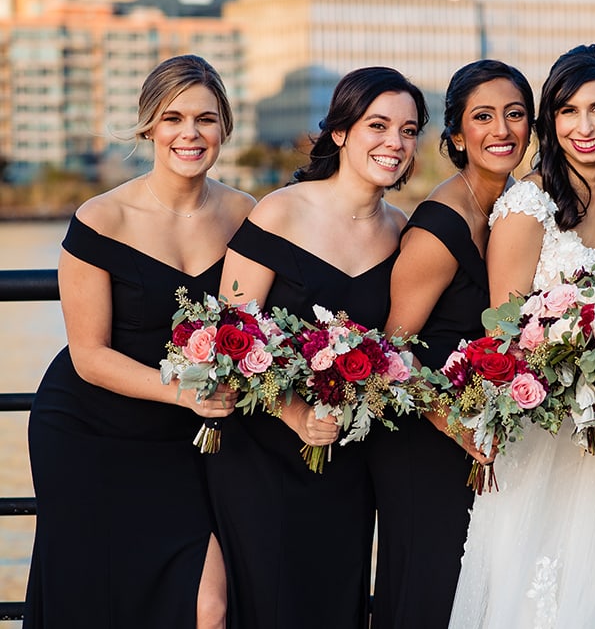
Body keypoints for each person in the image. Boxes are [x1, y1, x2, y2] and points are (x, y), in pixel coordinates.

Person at [24, 54, 255, 628]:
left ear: (224, 126)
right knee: (95, 602)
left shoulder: (247, 217)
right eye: (173, 118)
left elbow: (258, 323)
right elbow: (88, 355)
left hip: (183, 443)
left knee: (209, 605)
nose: (190, 134)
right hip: (89, 431)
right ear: (149, 124)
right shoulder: (102, 219)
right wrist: (185, 393)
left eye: (205, 119)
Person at [206, 67, 429, 629]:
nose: (394, 143)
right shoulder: (279, 211)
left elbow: (397, 344)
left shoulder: (403, 231)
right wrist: (296, 413)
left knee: (335, 600)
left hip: (346, 458)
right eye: (378, 125)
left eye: (408, 130)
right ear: (340, 132)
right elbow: (228, 341)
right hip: (263, 450)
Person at [449, 43, 595, 628]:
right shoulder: (527, 205)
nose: (584, 128)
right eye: (568, 111)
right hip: (540, 433)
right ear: (550, 120)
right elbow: (502, 335)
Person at [371, 59, 534, 628]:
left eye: (515, 115)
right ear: (458, 135)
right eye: (483, 117)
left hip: (480, 435)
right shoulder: (440, 225)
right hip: (426, 438)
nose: (502, 130)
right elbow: (389, 352)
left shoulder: (520, 207)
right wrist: (454, 424)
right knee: (429, 592)